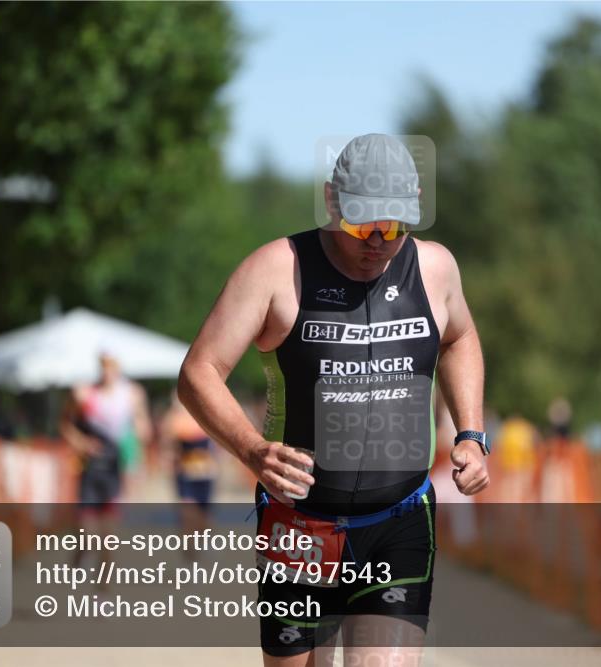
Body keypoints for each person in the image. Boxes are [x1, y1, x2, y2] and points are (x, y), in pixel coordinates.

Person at [178, 133, 489, 666]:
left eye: (393, 226)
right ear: (331, 202)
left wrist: (471, 433)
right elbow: (198, 372)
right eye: (362, 224)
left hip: (401, 517)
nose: (377, 240)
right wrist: (253, 450)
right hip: (301, 522)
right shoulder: (276, 270)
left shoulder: (435, 268)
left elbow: (459, 338)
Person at [59, 351, 151, 572]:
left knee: (109, 538)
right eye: (104, 366)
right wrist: (81, 442)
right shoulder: (84, 393)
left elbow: (144, 430)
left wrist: (138, 441)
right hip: (90, 469)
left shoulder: (132, 394)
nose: (107, 371)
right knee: (86, 534)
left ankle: (103, 592)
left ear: (119, 368)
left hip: (115, 469)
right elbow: (65, 423)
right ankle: (79, 556)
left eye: (112, 366)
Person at [162, 390, 217, 560]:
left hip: (205, 474)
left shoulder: (207, 413)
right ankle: (189, 555)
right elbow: (166, 445)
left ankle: (201, 548)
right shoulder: (173, 419)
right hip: (185, 474)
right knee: (187, 513)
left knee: (203, 517)